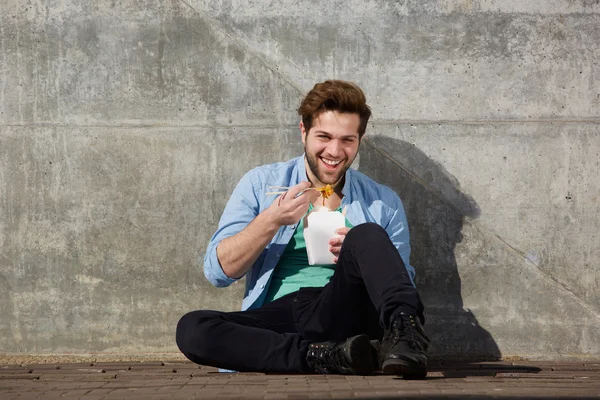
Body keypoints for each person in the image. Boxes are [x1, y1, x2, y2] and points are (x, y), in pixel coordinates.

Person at [176, 80, 430, 378]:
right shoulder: (260, 185)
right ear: (303, 132)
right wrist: (271, 220)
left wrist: (362, 255)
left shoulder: (382, 201)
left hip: (346, 305)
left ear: (360, 140)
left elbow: (401, 285)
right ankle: (327, 356)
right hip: (286, 315)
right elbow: (217, 272)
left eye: (347, 140)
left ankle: (407, 338)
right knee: (193, 329)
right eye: (324, 136)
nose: (335, 151)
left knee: (367, 234)